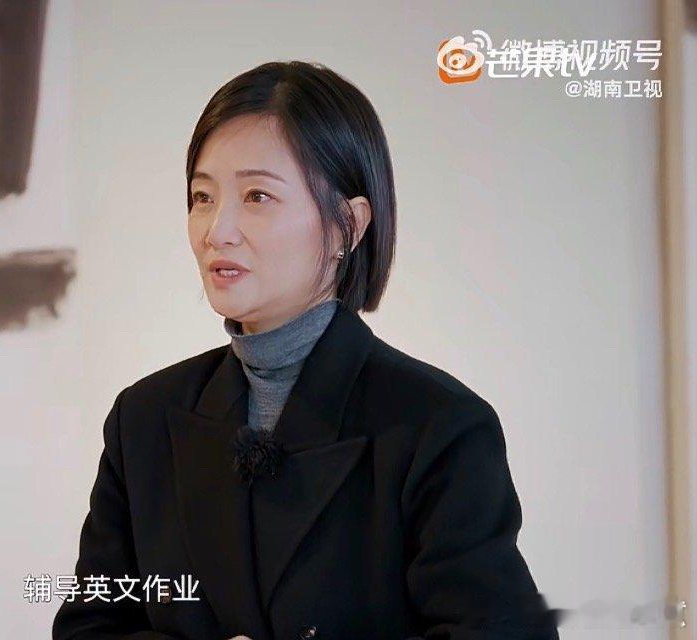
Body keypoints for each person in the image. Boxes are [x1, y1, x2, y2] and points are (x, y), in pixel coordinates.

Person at [52, 61, 560, 640]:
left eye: (257, 196)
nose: (217, 230)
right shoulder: (143, 419)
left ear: (348, 224)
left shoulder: (438, 426)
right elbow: (89, 628)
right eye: (203, 196)